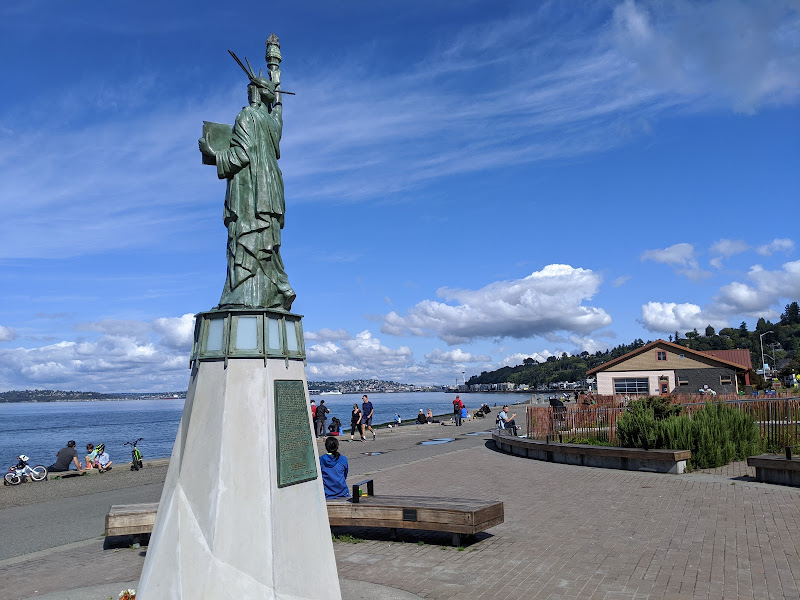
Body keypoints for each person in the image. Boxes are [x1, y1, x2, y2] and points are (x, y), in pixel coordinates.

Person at [198, 62, 295, 310]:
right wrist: (276, 78)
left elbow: (241, 155)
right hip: (271, 190)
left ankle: (243, 297)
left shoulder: (247, 116)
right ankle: (275, 292)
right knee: (266, 241)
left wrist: (212, 153)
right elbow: (278, 116)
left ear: (252, 91)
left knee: (245, 236)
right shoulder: (271, 124)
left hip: (250, 190)